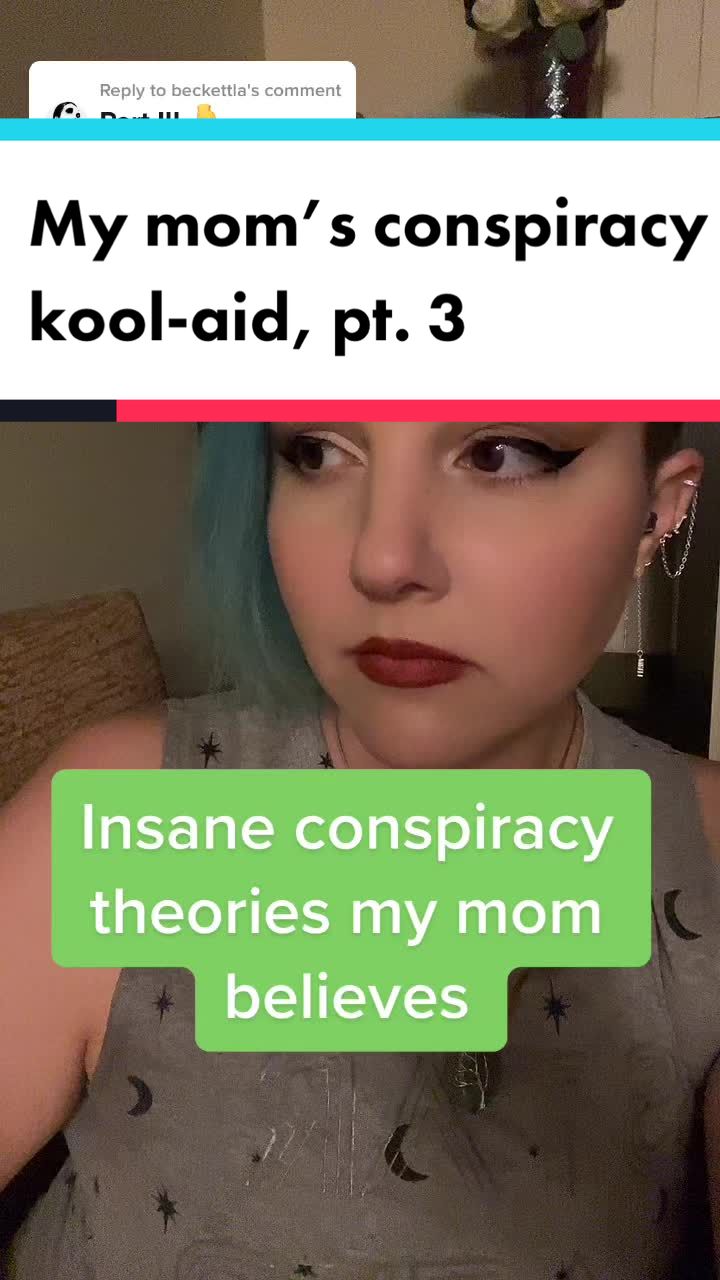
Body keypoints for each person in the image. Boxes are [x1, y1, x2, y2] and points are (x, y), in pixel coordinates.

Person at [1, 422, 719, 1279]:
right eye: (317, 452)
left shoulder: (702, 850)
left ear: (656, 512)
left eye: (500, 454)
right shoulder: (118, 804)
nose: (380, 560)